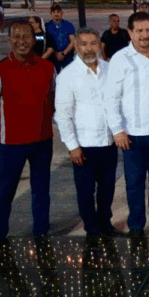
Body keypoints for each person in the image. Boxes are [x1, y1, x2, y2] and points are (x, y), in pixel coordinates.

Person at [0, 21, 56, 246]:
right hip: (12, 143)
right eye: (17, 37)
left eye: (27, 37)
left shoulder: (47, 68)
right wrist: (1, 127)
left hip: (43, 141)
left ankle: (41, 231)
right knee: (6, 190)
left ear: (34, 40)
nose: (22, 42)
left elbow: (52, 101)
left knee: (41, 190)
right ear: (9, 39)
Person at [103, 12, 149, 238]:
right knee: (135, 182)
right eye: (139, 31)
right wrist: (117, 130)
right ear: (130, 33)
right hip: (132, 133)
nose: (145, 35)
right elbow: (110, 97)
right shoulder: (120, 59)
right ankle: (136, 225)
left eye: (148, 30)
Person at [55, 28, 121, 238]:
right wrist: (72, 146)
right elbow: (62, 115)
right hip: (84, 144)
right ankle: (92, 228)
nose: (89, 48)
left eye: (93, 43)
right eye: (83, 44)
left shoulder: (110, 69)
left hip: (108, 141)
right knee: (85, 191)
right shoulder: (68, 76)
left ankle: (105, 223)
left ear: (99, 45)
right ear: (76, 46)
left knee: (107, 188)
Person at [44, 4, 76, 73]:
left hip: (67, 55)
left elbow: (72, 41)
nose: (56, 14)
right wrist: (56, 53)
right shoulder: (47, 26)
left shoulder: (68, 25)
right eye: (54, 12)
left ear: (62, 13)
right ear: (51, 14)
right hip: (53, 55)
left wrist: (64, 53)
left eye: (58, 12)